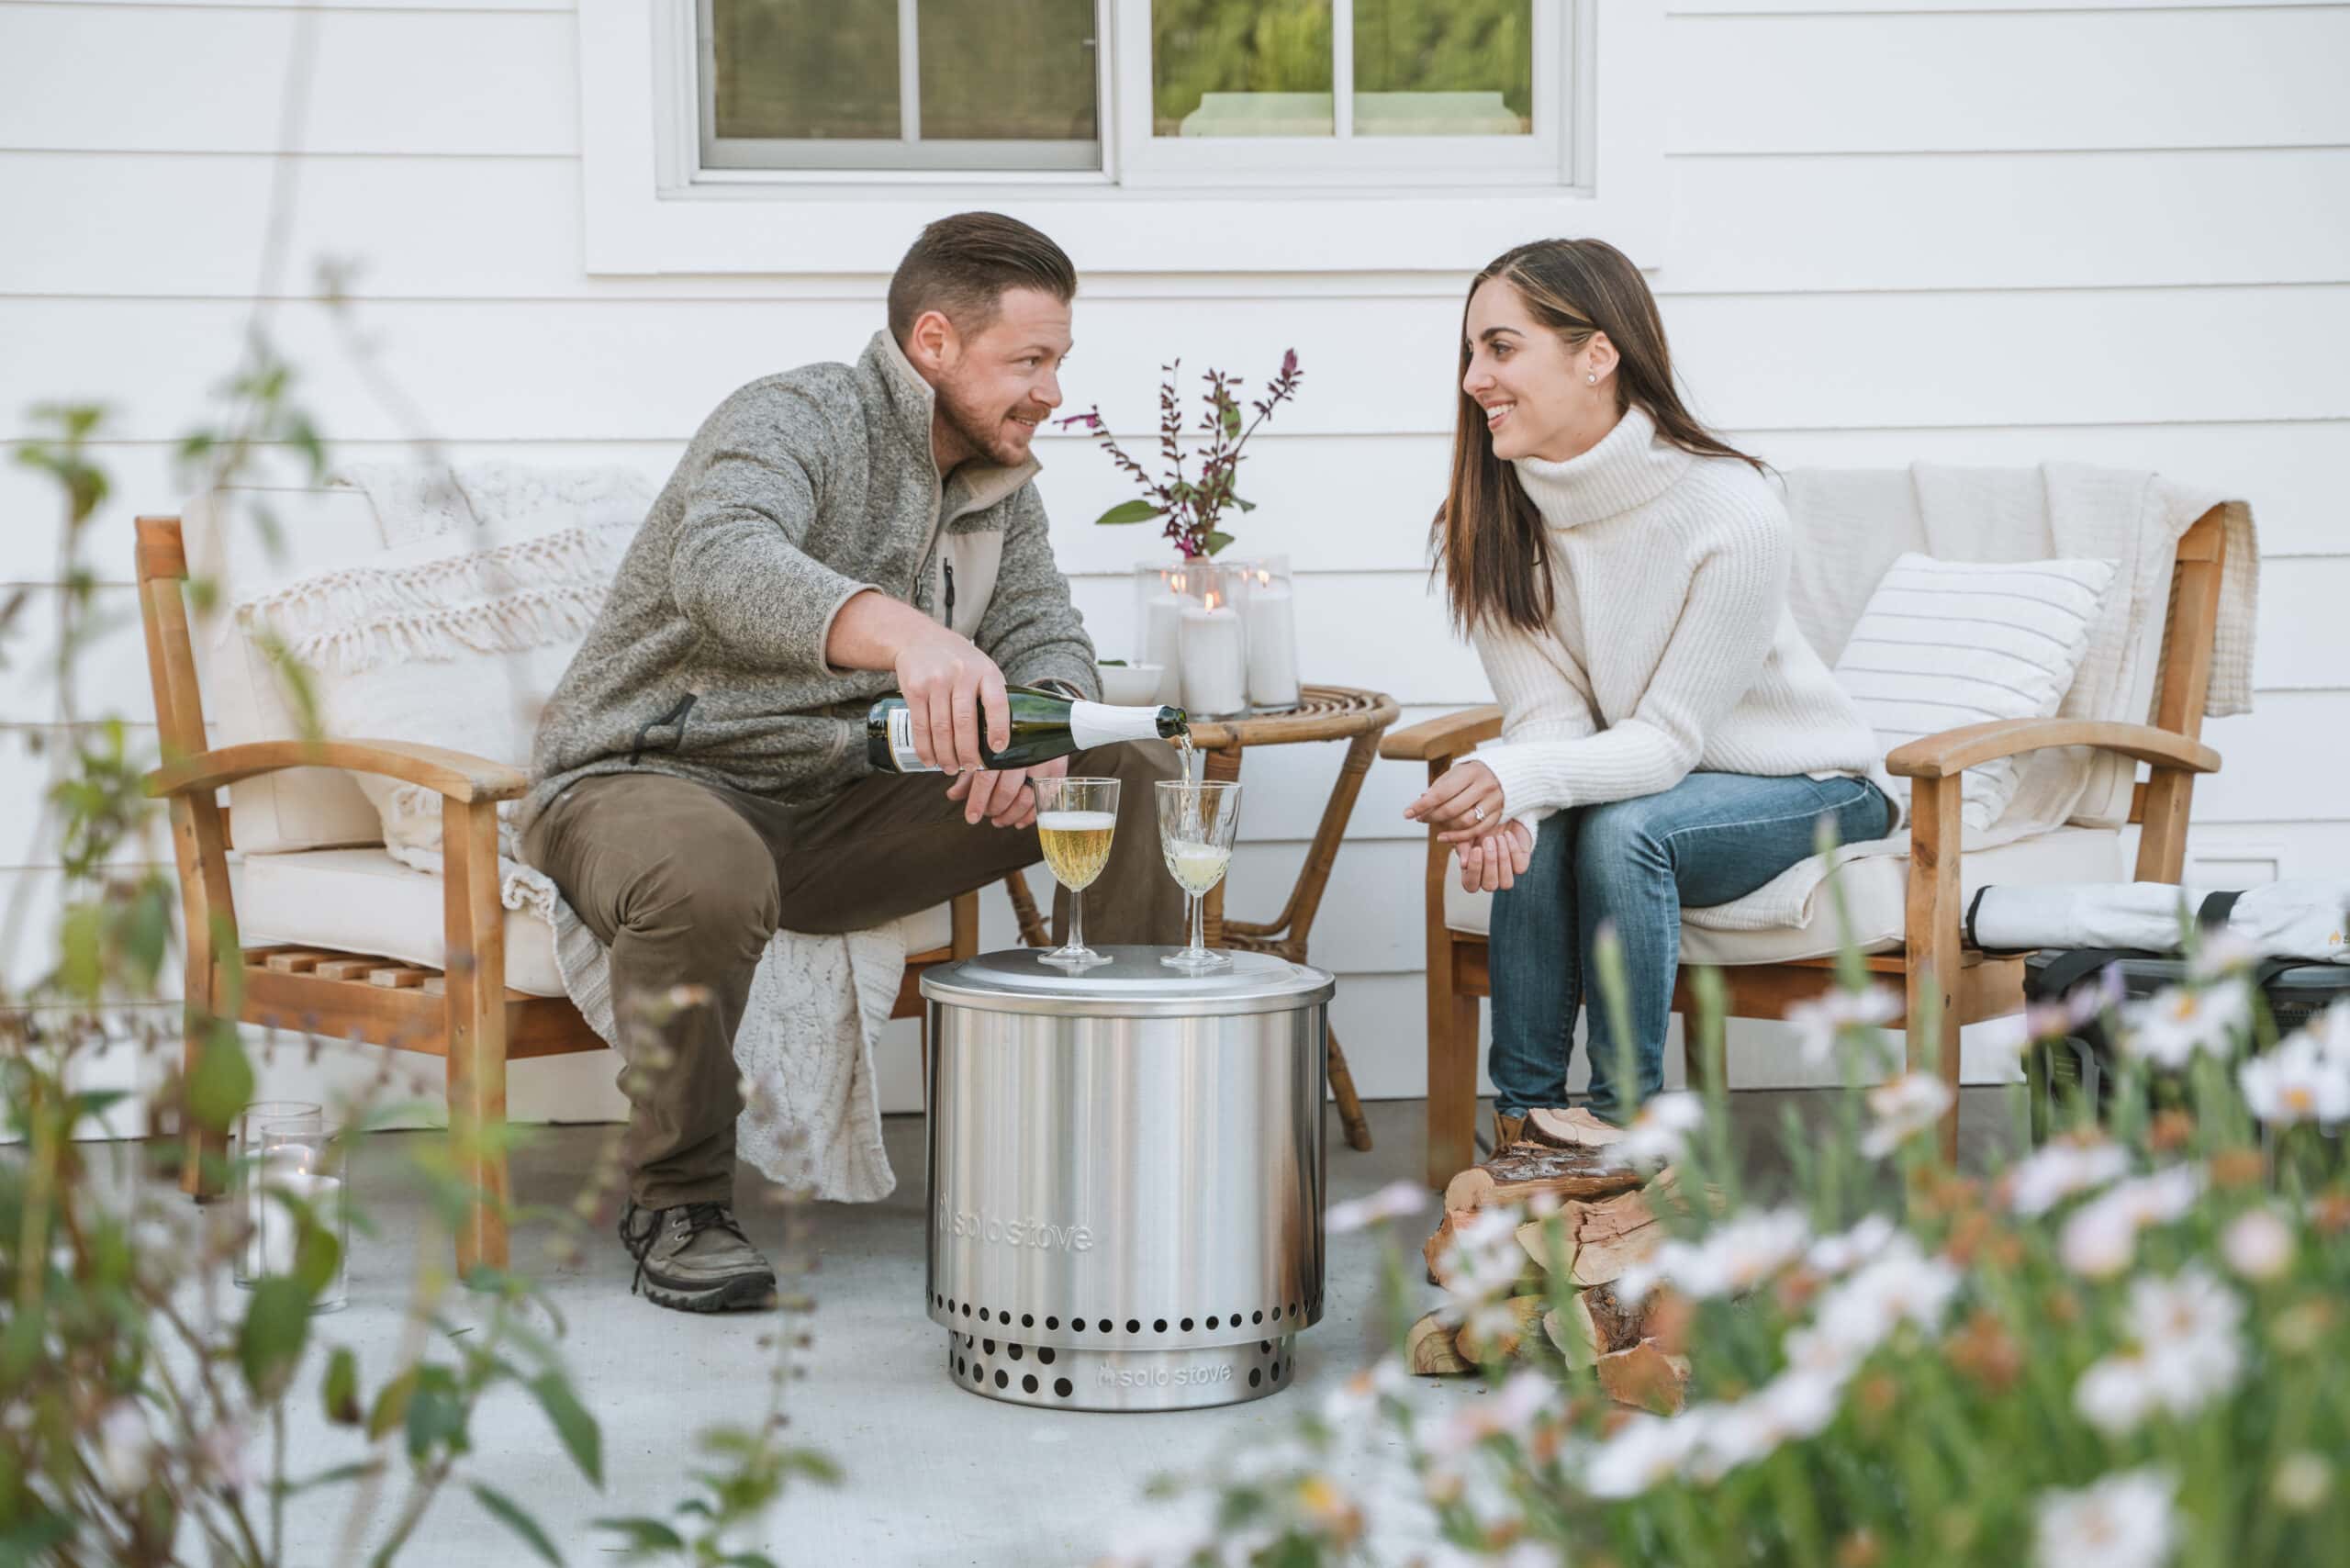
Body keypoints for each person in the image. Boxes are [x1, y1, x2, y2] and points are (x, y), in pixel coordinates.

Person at [520, 212, 1181, 1312]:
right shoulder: (794, 416)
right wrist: (907, 633)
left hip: (841, 802)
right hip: (651, 776)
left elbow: (1044, 629)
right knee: (704, 872)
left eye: (1056, 361)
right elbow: (722, 564)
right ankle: (677, 1198)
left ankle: (1128, 1150)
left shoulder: (998, 485)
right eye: (1029, 361)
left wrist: (1048, 729)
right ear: (933, 342)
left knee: (1129, 779)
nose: (1051, 392)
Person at [1404, 238, 1896, 1145]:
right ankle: (1526, 1121)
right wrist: (1518, 795)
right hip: (1646, 784)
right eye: (1469, 351)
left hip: (1807, 788)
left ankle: (1625, 1127)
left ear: (1597, 355)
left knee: (1624, 826)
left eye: (1501, 348)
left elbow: (1666, 742)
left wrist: (1516, 779)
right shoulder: (1490, 519)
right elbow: (1550, 721)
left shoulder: (1729, 510)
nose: (1474, 378)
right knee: (1551, 822)